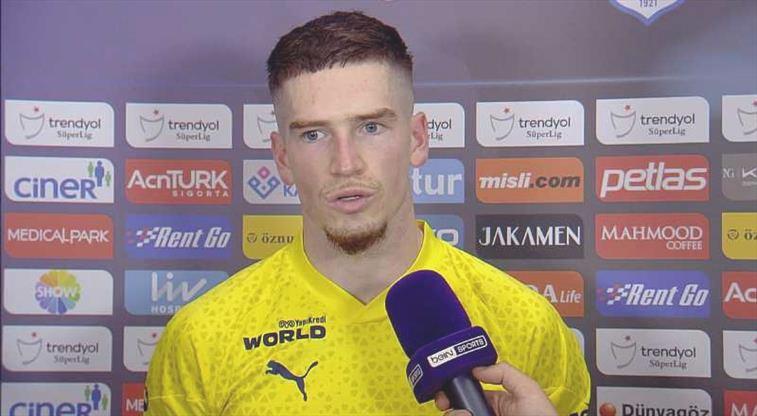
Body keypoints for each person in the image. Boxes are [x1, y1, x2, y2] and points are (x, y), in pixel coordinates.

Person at [145, 11, 590, 415]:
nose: (346, 163)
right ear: (282, 158)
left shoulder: (525, 321)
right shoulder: (202, 337)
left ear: (417, 139)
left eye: (371, 127)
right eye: (314, 134)